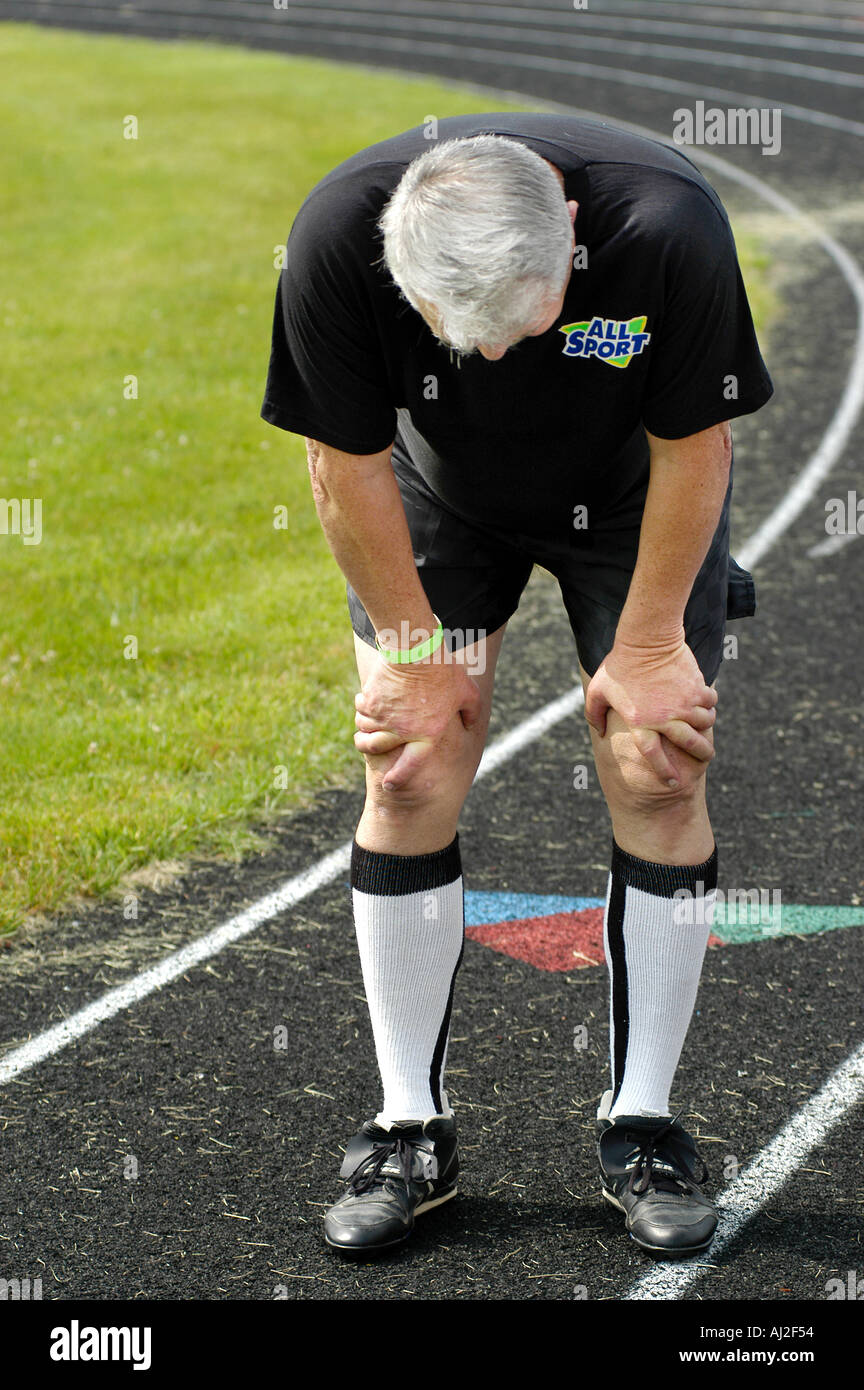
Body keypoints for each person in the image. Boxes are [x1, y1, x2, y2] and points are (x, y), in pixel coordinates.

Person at [260, 112, 773, 1258]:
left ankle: (643, 1123)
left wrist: (647, 651)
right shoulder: (340, 239)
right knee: (413, 762)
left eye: (518, 324)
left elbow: (701, 447)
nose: (490, 357)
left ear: (572, 235)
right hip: (442, 496)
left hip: (639, 493)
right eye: (460, 333)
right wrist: (410, 650)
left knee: (656, 761)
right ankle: (407, 1129)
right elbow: (341, 458)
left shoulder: (668, 230)